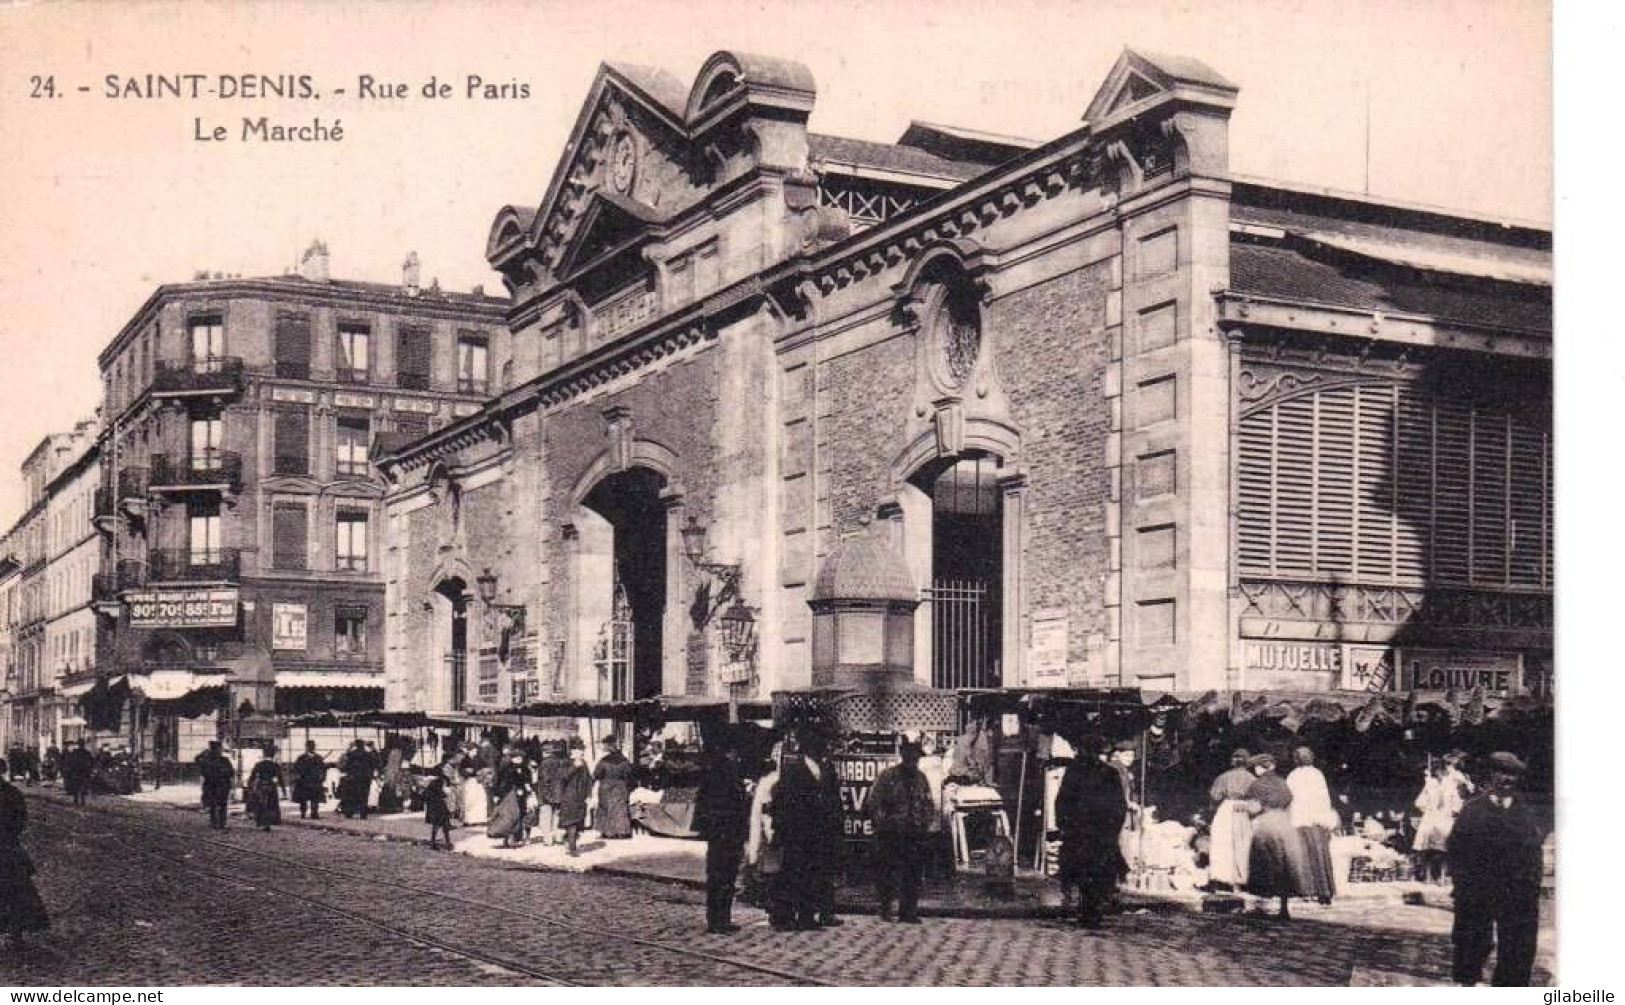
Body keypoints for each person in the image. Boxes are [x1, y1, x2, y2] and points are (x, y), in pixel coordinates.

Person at [1447, 752, 1544, 987]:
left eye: (1512, 775)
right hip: (1478, 888)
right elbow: (1456, 849)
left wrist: (1530, 885)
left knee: (1518, 944)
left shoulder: (1526, 813)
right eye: (1502, 773)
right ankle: (1467, 981)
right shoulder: (1472, 810)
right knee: (1472, 940)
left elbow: (1534, 853)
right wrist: (1463, 884)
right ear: (1490, 776)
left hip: (1516, 890)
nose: (1507, 779)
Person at [1054, 735, 1128, 928]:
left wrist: (1063, 825)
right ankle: (1092, 908)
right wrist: (1113, 829)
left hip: (1081, 831)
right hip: (1100, 832)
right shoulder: (1109, 773)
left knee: (1083, 871)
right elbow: (1120, 805)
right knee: (1097, 871)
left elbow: (1063, 801)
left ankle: (1088, 908)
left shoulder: (1075, 772)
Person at [869, 738, 937, 924]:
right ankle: (886, 907)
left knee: (912, 873)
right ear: (903, 755)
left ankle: (909, 911)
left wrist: (924, 823)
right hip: (892, 833)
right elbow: (874, 803)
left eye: (915, 756)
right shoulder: (888, 777)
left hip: (914, 833)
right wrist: (884, 825)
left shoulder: (921, 779)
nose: (912, 760)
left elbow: (928, 804)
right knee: (888, 872)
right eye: (909, 755)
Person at [693, 732, 751, 934]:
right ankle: (720, 920)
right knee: (724, 875)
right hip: (726, 832)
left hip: (720, 833)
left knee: (718, 875)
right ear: (731, 751)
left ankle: (717, 919)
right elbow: (730, 804)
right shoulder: (726, 771)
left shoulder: (714, 769)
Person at [1242, 752, 1306, 918]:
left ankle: (1263, 903)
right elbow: (1289, 800)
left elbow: (1254, 808)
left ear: (1260, 767)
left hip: (1266, 822)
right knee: (1286, 863)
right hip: (1285, 822)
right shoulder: (1282, 783)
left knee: (1266, 862)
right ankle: (1284, 907)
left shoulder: (1257, 785)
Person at [0, 760, 50, 948]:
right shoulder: (13, 793)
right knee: (17, 891)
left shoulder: (13, 794)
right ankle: (16, 932)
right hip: (9, 848)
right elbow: (21, 820)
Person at [802, 732, 845, 927]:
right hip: (811, 829)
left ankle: (825, 912)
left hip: (824, 829)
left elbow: (834, 799)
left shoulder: (825, 767)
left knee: (824, 873)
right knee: (812, 874)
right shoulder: (800, 767)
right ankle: (809, 914)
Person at [1286, 746, 1338, 904]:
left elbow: (1289, 799)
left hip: (1301, 820)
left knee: (1304, 856)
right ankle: (1324, 892)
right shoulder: (1317, 774)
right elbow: (1324, 800)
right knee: (1319, 856)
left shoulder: (1294, 775)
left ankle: (1308, 891)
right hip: (1316, 820)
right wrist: (1327, 820)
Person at [1207, 748, 1255, 891]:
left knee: (1223, 843)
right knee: (1242, 844)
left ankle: (1220, 879)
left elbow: (1215, 796)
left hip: (1227, 808)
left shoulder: (1224, 777)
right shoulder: (1252, 778)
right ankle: (1238, 881)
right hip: (1243, 809)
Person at [1413, 760, 1465, 883]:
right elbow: (1419, 802)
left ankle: (1442, 876)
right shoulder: (1430, 784)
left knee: (1444, 849)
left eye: (1442, 771)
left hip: (1444, 818)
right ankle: (1427, 875)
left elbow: (1456, 802)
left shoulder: (1450, 784)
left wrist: (1452, 811)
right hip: (1431, 818)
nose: (1440, 773)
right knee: (1427, 850)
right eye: (1437, 771)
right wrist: (1428, 809)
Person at [489, 749, 532, 848]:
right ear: (512, 758)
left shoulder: (525, 769)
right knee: (510, 816)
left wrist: (527, 789)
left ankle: (517, 837)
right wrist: (497, 794)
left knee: (521, 815)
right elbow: (499, 782)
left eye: (520, 758)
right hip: (508, 795)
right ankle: (508, 837)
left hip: (521, 795)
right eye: (516, 758)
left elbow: (527, 781)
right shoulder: (505, 769)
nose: (519, 760)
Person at [592, 738, 634, 840]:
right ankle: (622, 832)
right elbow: (629, 774)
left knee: (606, 808)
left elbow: (596, 774)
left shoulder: (603, 761)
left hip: (606, 786)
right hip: (620, 786)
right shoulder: (624, 761)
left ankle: (608, 832)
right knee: (620, 808)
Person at [558, 741, 594, 856]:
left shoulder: (584, 763)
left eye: (582, 751)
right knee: (572, 823)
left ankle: (567, 839)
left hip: (581, 797)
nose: (581, 753)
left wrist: (589, 795)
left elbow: (589, 780)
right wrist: (574, 767)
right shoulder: (565, 762)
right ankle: (572, 849)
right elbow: (562, 777)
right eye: (579, 751)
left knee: (578, 823)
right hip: (569, 797)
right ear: (572, 752)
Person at [196, 741, 235, 830]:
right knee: (219, 804)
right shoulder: (222, 760)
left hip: (217, 785)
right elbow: (231, 773)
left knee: (217, 804)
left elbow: (231, 773)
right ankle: (220, 823)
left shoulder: (209, 760)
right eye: (218, 749)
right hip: (218, 785)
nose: (220, 751)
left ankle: (218, 823)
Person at [535, 742, 568, 846]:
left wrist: (543, 794)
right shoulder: (562, 762)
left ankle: (548, 839)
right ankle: (558, 837)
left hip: (547, 794)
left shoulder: (544, 763)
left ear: (545, 752)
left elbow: (545, 780)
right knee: (557, 816)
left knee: (546, 817)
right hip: (560, 793)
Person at [245, 747, 285, 832]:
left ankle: (263, 822)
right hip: (271, 786)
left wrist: (250, 785)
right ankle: (269, 823)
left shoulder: (259, 764)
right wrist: (283, 789)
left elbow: (252, 776)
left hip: (261, 786)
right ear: (273, 755)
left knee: (261, 805)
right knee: (271, 805)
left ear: (264, 754)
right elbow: (280, 778)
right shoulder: (275, 765)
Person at [292, 741, 328, 820]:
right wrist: (298, 777)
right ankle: (303, 813)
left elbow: (323, 769)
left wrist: (322, 778)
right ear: (306, 747)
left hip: (315, 781)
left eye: (312, 746)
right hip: (304, 781)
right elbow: (295, 769)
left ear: (314, 747)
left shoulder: (318, 758)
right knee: (303, 799)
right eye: (309, 746)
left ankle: (314, 813)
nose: (311, 748)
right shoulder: (301, 758)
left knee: (315, 798)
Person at [60, 740, 94, 808]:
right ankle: (82, 801)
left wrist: (71, 770)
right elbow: (92, 762)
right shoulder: (87, 752)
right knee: (83, 786)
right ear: (84, 744)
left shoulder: (74, 752)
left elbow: (70, 761)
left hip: (76, 772)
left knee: (76, 786)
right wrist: (89, 769)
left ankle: (76, 800)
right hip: (84, 772)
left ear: (78, 744)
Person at [423, 774, 454, 850]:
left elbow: (424, 797)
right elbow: (443, 795)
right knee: (443, 827)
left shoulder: (430, 788)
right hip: (439, 810)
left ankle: (435, 843)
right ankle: (446, 843)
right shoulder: (438, 786)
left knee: (438, 827)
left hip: (434, 810)